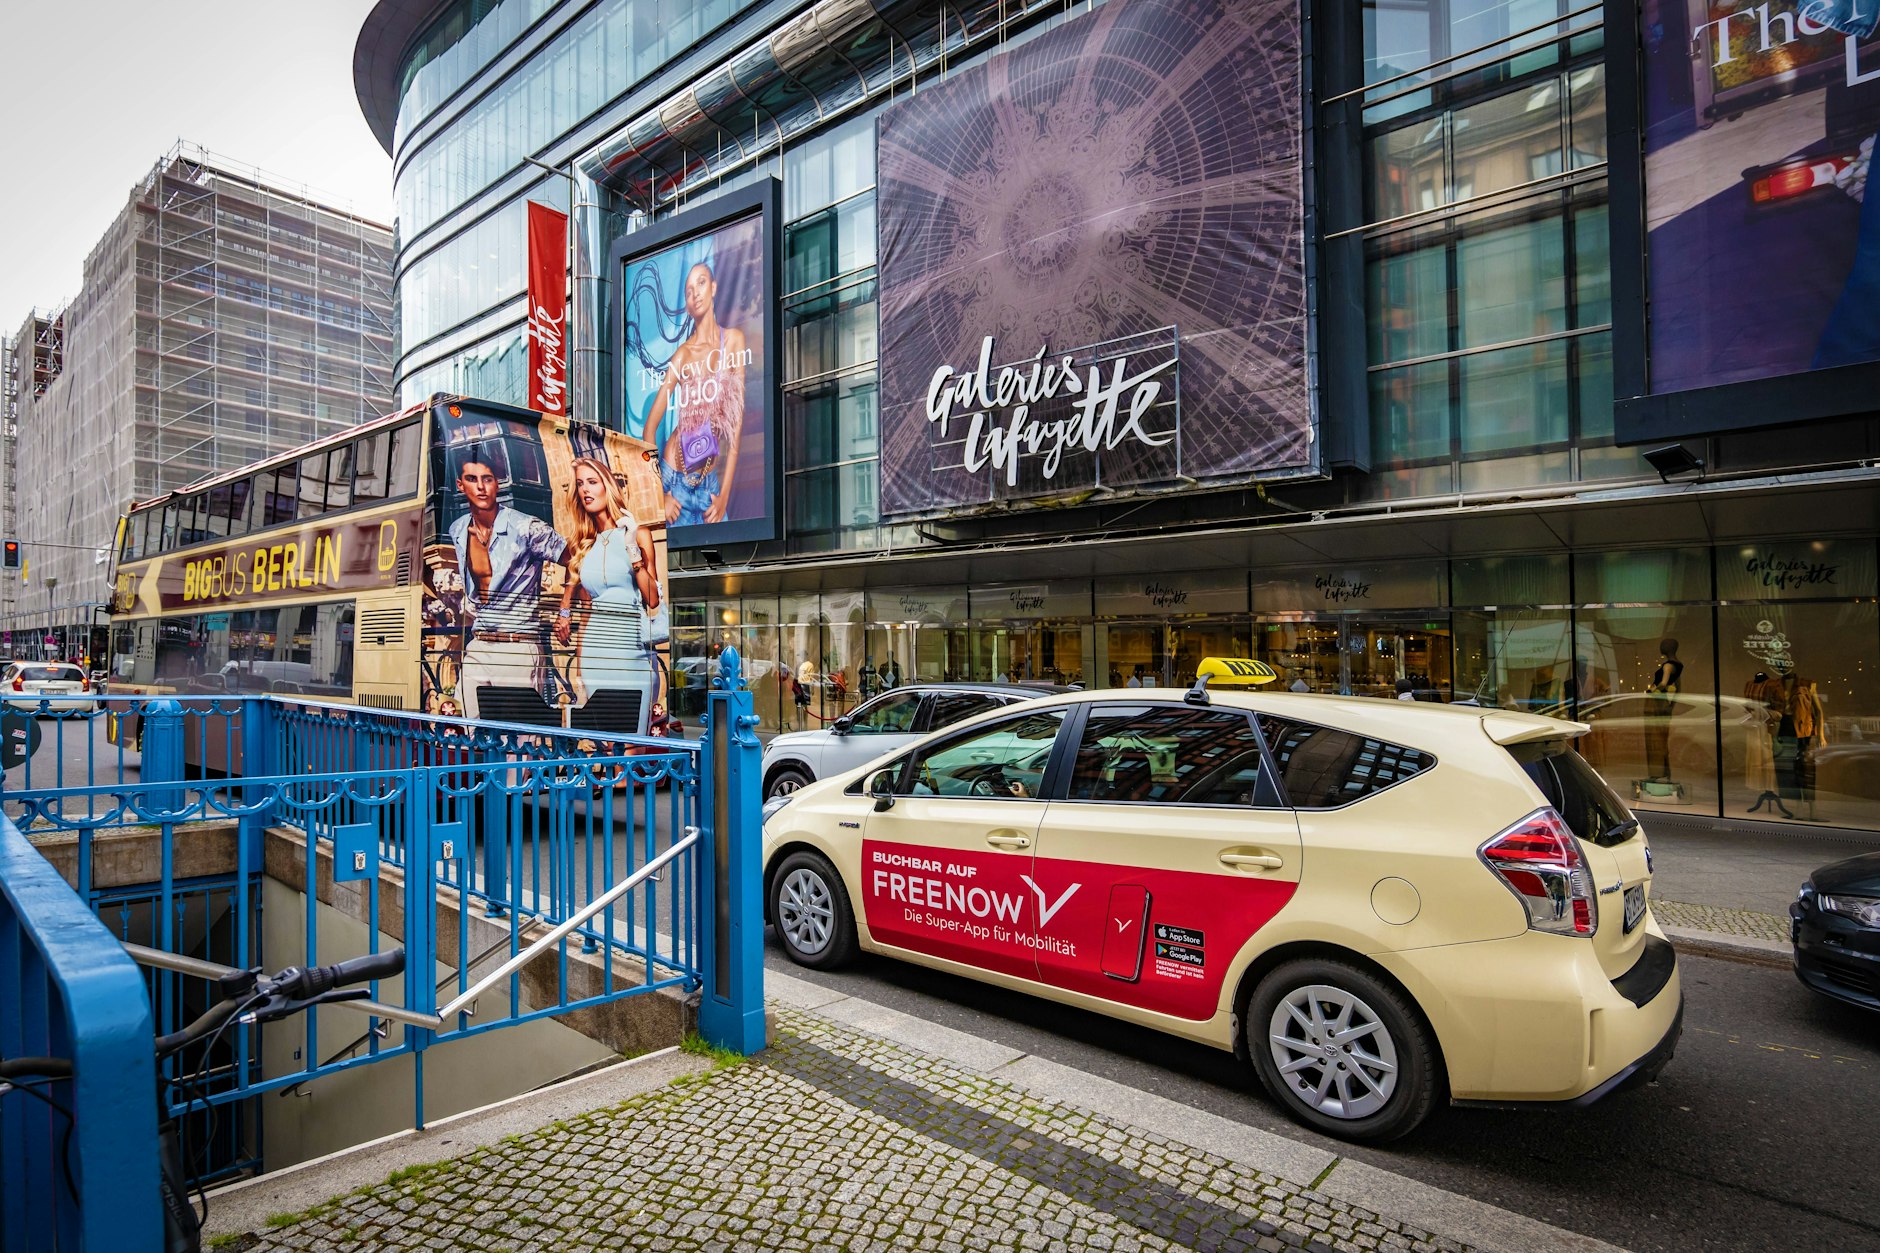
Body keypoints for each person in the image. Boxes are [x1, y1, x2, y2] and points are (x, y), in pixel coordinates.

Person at [449, 450, 572, 720]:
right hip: (479, 644)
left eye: (488, 479)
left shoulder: (527, 528)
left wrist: (565, 611)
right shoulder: (458, 530)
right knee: (463, 730)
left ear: (497, 483)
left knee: (519, 743)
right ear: (460, 485)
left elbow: (576, 562)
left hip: (517, 645)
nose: (481, 487)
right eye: (472, 479)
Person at [552, 456, 661, 733]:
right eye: (579, 484)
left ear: (607, 486)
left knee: (634, 743)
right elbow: (581, 608)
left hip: (632, 650)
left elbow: (653, 599)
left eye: (592, 482)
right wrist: (578, 665)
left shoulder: (639, 534)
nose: (585, 490)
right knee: (611, 745)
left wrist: (631, 546)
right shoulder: (581, 546)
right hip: (595, 653)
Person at [639, 262, 747, 526]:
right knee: (669, 567)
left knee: (727, 560)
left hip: (708, 481)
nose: (695, 293)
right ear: (687, 305)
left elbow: (735, 429)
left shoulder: (734, 341)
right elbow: (649, 431)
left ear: (713, 288)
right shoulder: (683, 355)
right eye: (688, 291)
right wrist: (659, 494)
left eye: (700, 283)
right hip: (674, 481)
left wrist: (724, 497)